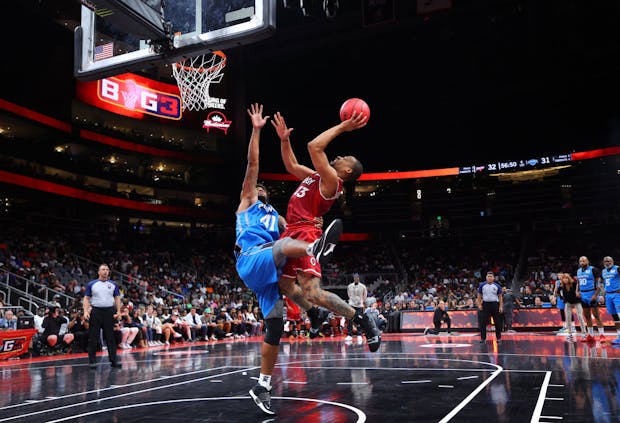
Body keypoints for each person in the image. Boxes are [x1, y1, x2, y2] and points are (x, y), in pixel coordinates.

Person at [234, 104, 343, 415]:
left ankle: (262, 385)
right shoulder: (247, 201)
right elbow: (253, 163)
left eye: (264, 188)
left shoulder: (275, 216)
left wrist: (314, 226)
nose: (261, 188)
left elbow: (296, 227)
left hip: (268, 271)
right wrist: (256, 130)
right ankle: (315, 251)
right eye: (259, 187)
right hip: (252, 258)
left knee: (275, 326)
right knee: (284, 248)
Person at [271, 110, 381, 352]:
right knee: (285, 285)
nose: (339, 155)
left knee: (313, 292)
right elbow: (290, 165)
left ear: (347, 171)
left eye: (345, 157)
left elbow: (314, 146)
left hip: (305, 233)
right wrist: (284, 140)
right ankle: (315, 313)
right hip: (291, 232)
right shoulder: (316, 176)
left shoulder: (332, 181)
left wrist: (343, 127)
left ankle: (362, 319)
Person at [83, 263, 122, 369]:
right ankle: (92, 361)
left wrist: (118, 311)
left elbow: (117, 298)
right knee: (93, 337)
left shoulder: (113, 284)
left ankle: (113, 360)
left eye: (107, 269)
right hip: (96, 311)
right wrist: (86, 311)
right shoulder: (92, 284)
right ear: (99, 272)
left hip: (109, 312)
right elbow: (86, 298)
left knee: (111, 337)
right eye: (103, 269)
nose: (105, 271)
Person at [576, 256, 605, 342]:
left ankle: (602, 335)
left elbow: (599, 283)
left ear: (588, 261)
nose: (582, 262)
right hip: (583, 295)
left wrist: (596, 295)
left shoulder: (593, 270)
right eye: (580, 261)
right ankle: (591, 335)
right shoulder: (578, 271)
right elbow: (578, 282)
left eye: (584, 260)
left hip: (592, 293)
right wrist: (577, 291)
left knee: (596, 316)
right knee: (587, 316)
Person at [557, 273, 588, 342]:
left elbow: (580, 288)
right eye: (564, 278)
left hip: (576, 302)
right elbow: (557, 292)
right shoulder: (561, 286)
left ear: (569, 278)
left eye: (566, 278)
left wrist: (579, 293)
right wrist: (562, 298)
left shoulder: (574, 284)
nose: (565, 279)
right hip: (568, 303)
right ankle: (570, 334)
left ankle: (584, 333)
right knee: (568, 318)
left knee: (580, 316)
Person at [477, 271, 503, 344]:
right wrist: (479, 304)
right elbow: (479, 295)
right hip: (485, 305)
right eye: (488, 276)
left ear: (493, 278)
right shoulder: (482, 285)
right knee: (483, 322)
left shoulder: (497, 286)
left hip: (495, 304)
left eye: (491, 276)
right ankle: (483, 338)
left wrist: (501, 306)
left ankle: (498, 338)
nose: (489, 278)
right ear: (486, 277)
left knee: (497, 322)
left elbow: (500, 297)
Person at [601, 256, 620, 345]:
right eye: (605, 261)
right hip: (608, 295)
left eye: (608, 261)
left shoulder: (617, 268)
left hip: (617, 294)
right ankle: (619, 336)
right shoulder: (603, 271)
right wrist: (602, 295)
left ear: (612, 261)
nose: (607, 263)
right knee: (615, 317)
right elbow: (604, 284)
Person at [345, 273, 367, 341]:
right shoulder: (350, 286)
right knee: (350, 319)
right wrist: (352, 301)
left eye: (357, 277)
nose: (356, 279)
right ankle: (349, 334)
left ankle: (359, 334)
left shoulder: (363, 286)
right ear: (353, 278)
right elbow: (349, 294)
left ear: (358, 278)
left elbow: (365, 295)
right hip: (351, 304)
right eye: (354, 278)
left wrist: (361, 301)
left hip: (359, 305)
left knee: (359, 320)